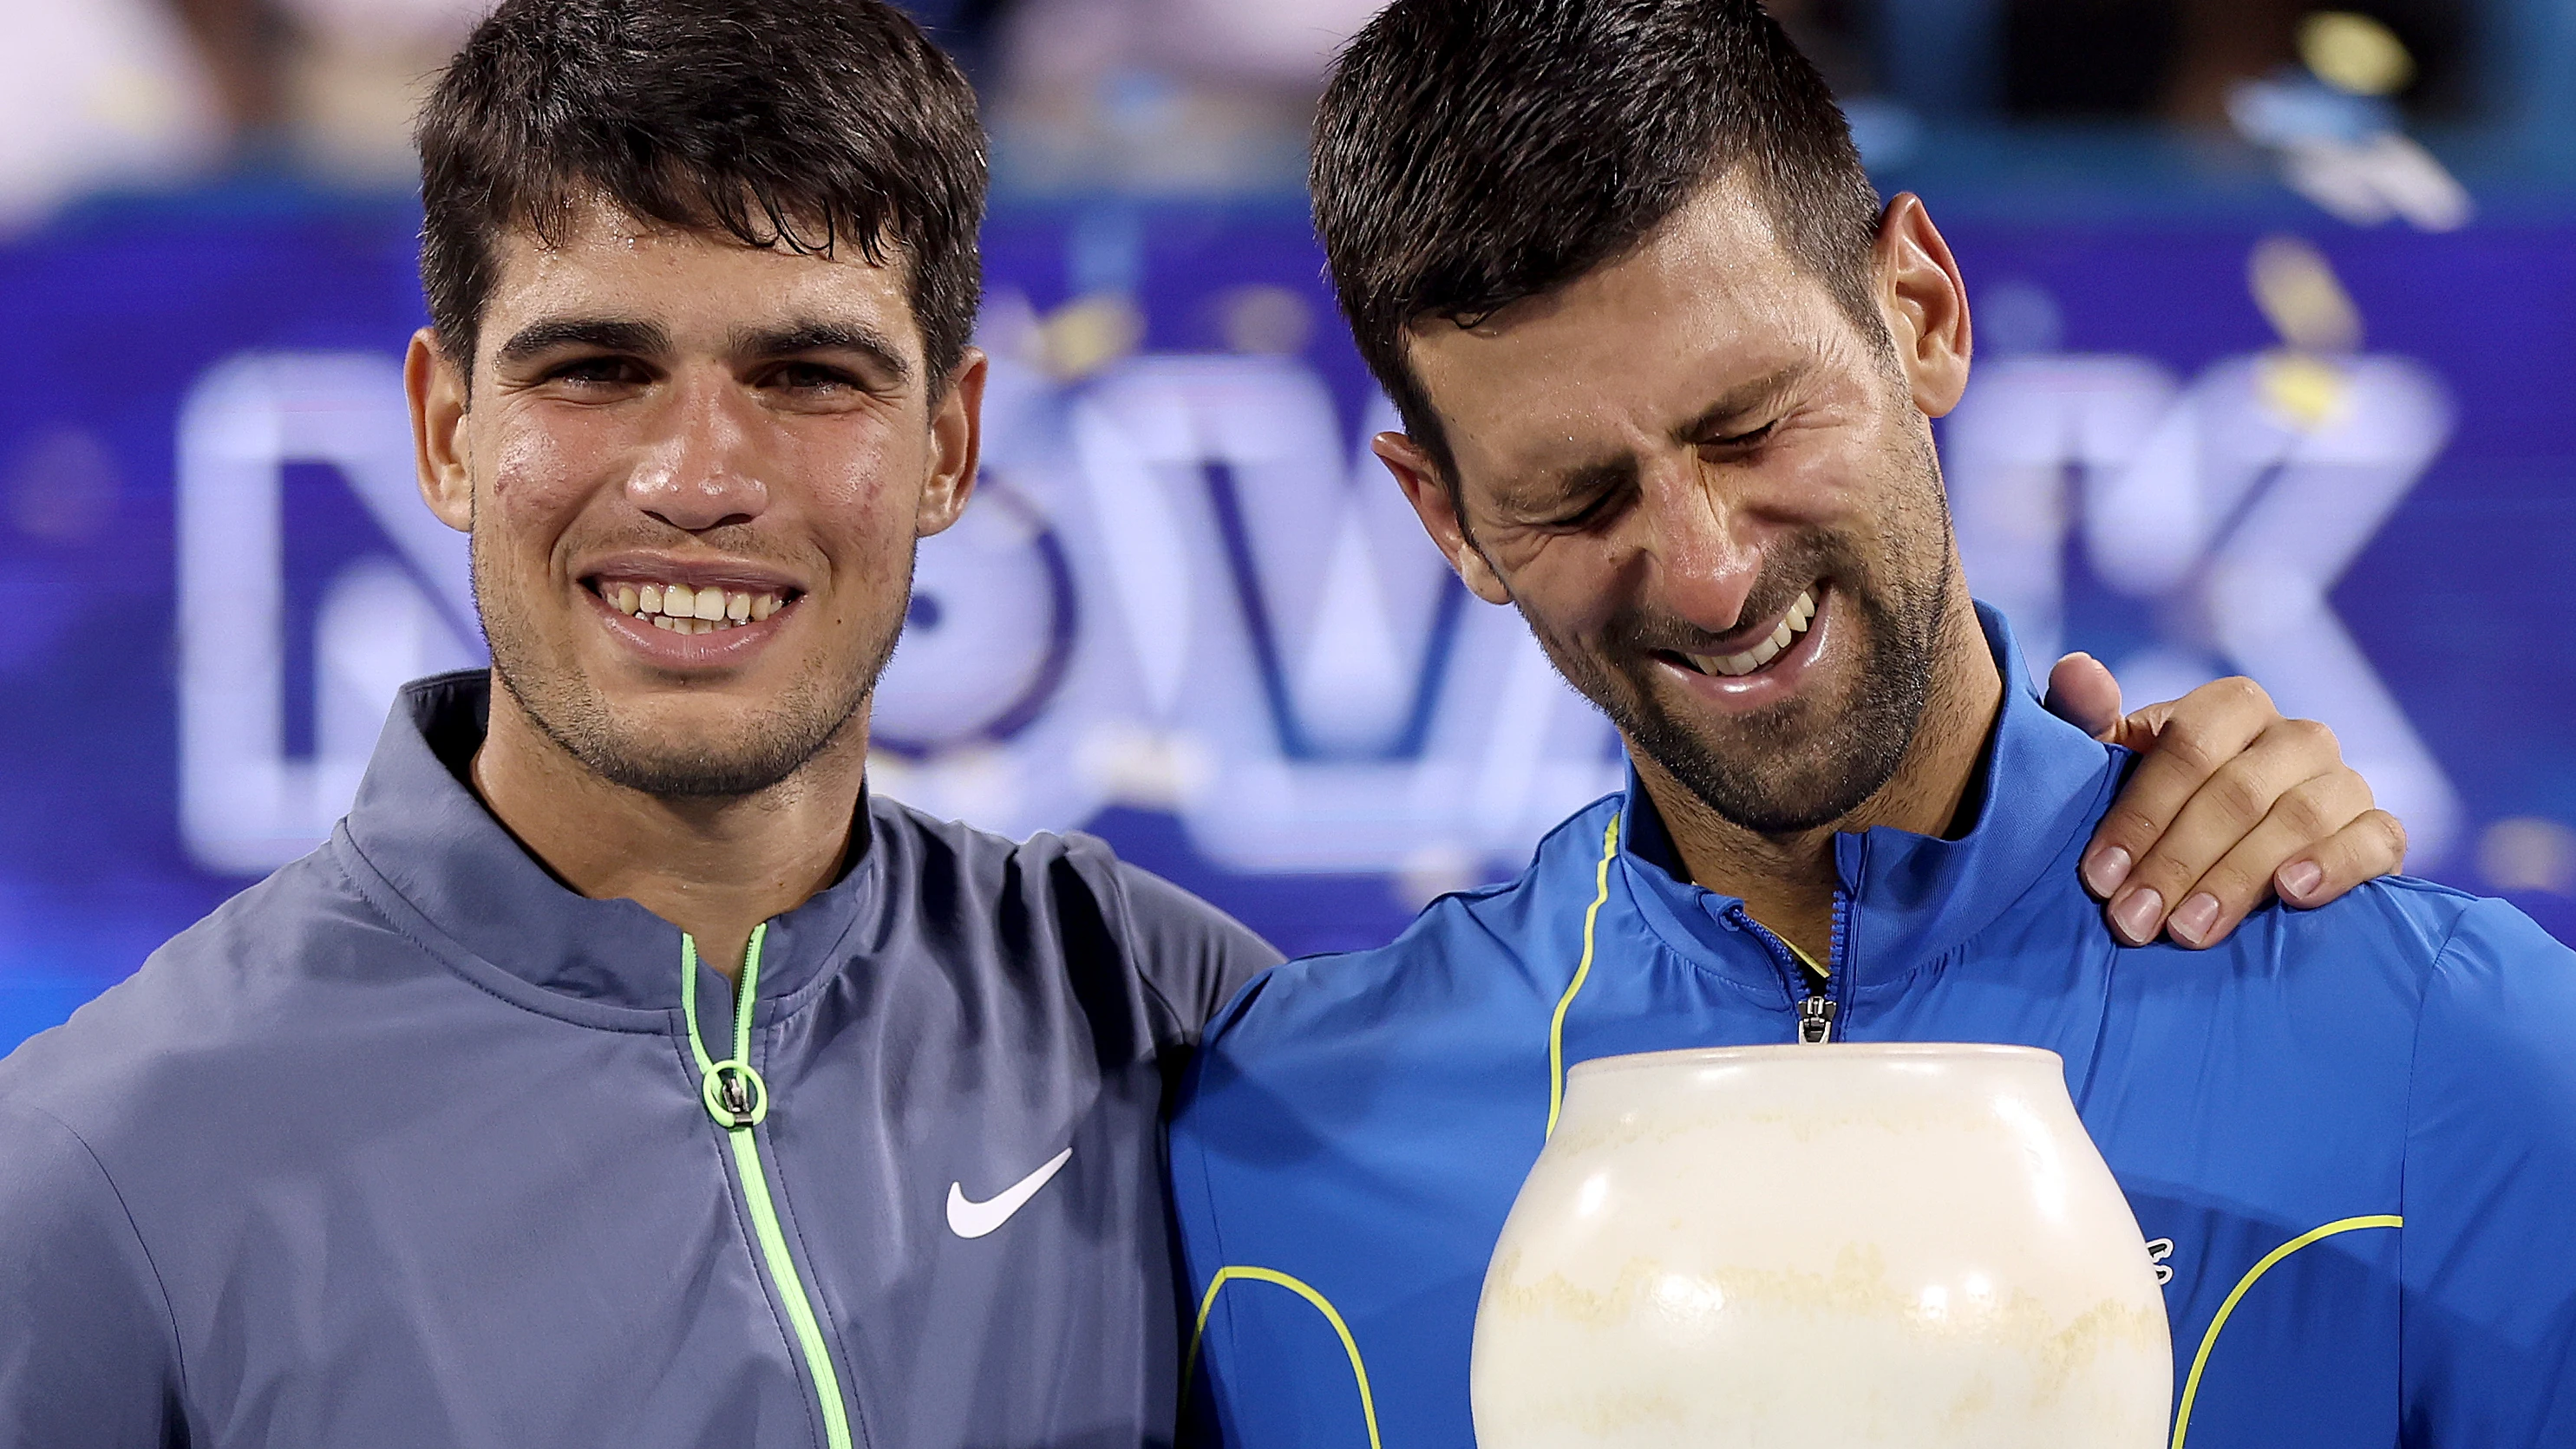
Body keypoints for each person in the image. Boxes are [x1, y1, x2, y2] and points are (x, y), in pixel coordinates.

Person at [0, 3, 2399, 1446]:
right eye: (592, 367)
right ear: (440, 422)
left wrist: (2128, 814)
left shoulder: (1181, 1029)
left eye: (808, 375)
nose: (697, 473)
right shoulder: (105, 1165)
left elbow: (1730, 1008)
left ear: (948, 441)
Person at [1168, 3, 2576, 1446]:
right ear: (1448, 517)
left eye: (1753, 426)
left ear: (1920, 313)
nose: (1709, 571)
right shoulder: (1274, 1140)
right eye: (1579, 498)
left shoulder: (2451, 1064)